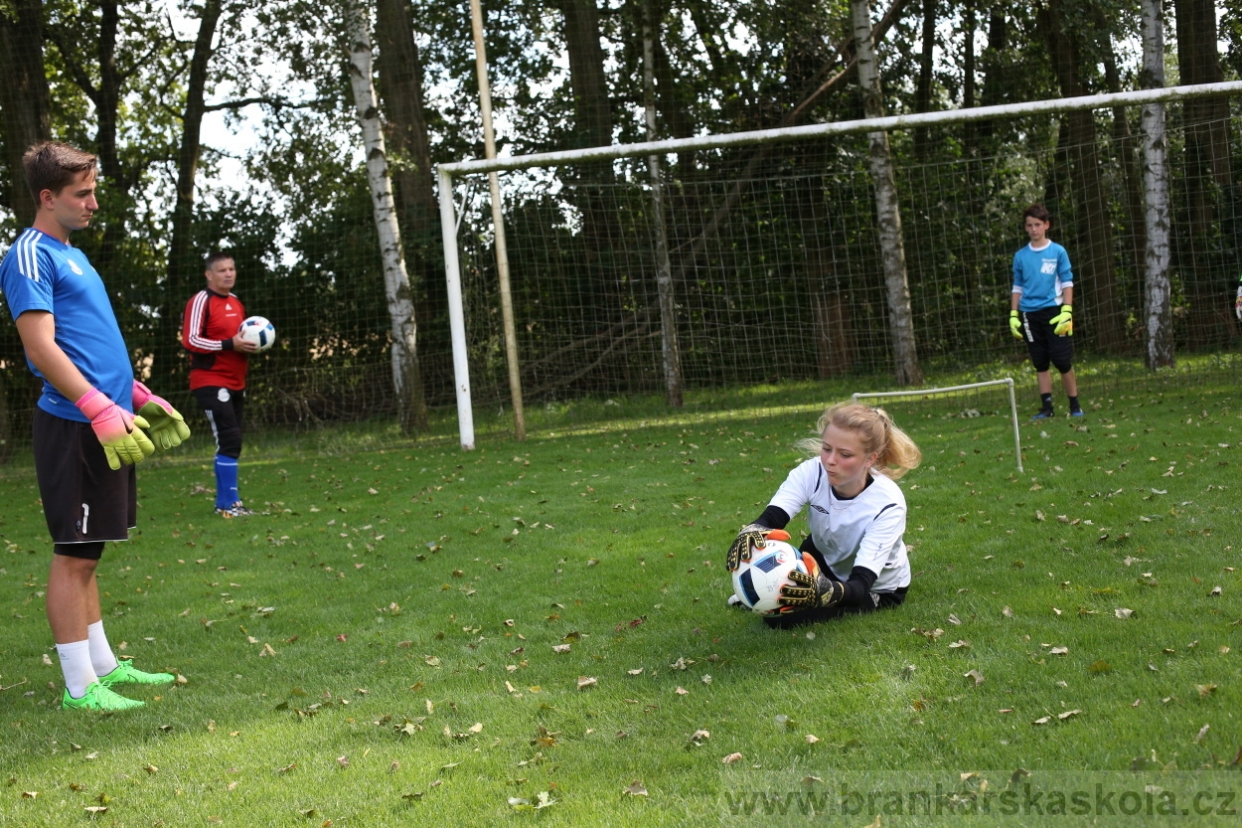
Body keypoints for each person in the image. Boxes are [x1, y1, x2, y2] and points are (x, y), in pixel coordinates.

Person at [0, 142, 190, 711]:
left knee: (91, 549)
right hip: (74, 426)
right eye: (81, 194)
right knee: (73, 554)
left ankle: (104, 665)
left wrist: (132, 393)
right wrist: (99, 408)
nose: (92, 203)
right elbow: (40, 348)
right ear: (47, 197)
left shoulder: (71, 253)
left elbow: (86, 343)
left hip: (102, 418)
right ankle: (80, 688)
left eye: (93, 191)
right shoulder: (28, 254)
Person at [725, 403, 922, 628]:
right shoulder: (812, 471)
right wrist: (752, 530)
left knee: (780, 620)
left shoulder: (888, 504)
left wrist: (827, 592)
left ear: (870, 459)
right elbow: (772, 518)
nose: (830, 460)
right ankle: (757, 592)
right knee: (784, 560)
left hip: (876, 586)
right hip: (827, 554)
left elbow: (860, 584)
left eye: (845, 454)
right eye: (827, 448)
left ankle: (869, 601)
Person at [182, 251, 259, 517]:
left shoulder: (236, 302)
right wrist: (230, 344)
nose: (228, 274)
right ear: (209, 274)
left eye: (232, 269)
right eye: (222, 270)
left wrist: (248, 344)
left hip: (237, 381)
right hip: (210, 380)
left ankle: (222, 504)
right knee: (230, 439)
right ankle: (233, 504)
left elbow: (238, 337)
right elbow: (190, 340)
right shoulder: (201, 301)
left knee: (230, 440)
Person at [1008, 204, 1083, 420]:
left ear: (1046, 225)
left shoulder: (1058, 251)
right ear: (1025, 228)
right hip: (1029, 314)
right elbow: (1017, 286)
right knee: (1040, 361)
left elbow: (1067, 281)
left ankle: (1075, 405)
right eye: (1029, 225)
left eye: (1038, 225)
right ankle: (1046, 408)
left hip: (1055, 312)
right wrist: (1014, 314)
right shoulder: (1020, 256)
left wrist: (1067, 310)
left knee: (1061, 360)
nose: (1034, 229)